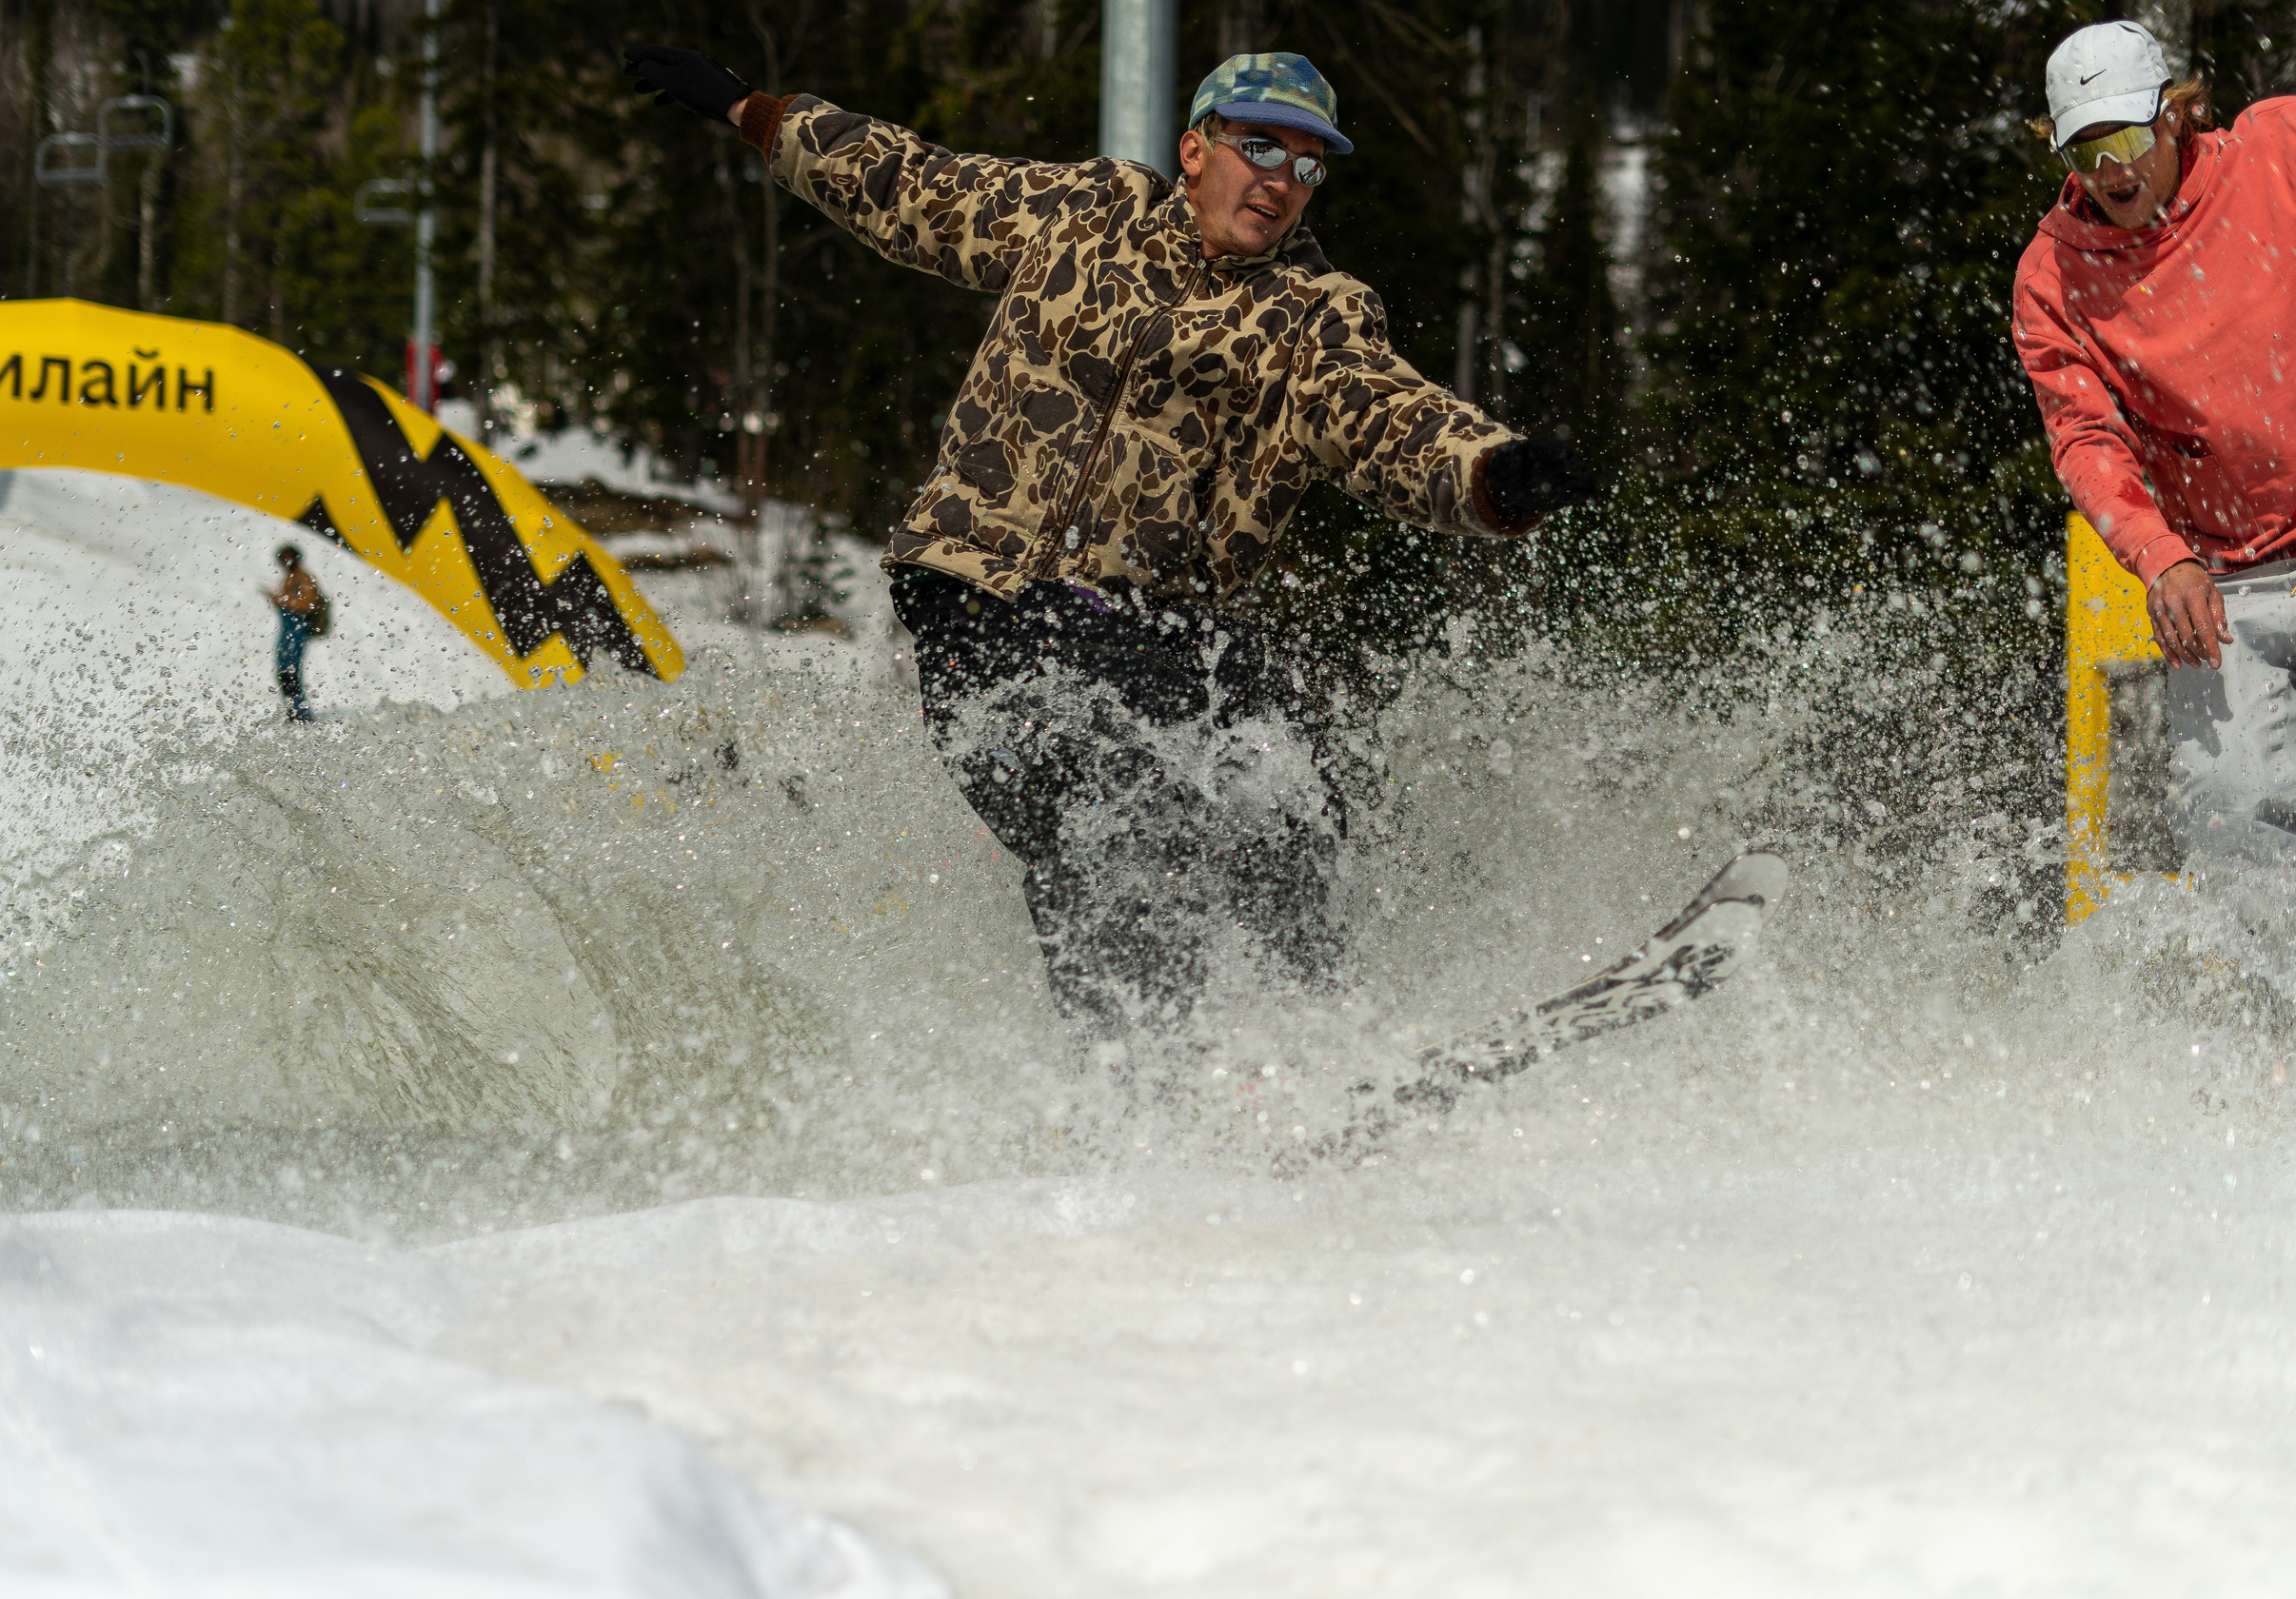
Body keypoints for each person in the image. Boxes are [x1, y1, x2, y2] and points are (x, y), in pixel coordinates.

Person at [623, 46, 1598, 1036]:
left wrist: (1489, 470)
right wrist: (753, 110)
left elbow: (1386, 416)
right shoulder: (1088, 215)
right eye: (1259, 147)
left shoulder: (1312, 314)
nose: (1279, 180)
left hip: (1159, 629)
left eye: (1307, 166)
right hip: (982, 601)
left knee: (1283, 778)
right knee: (1119, 806)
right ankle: (1140, 1071)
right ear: (1195, 148)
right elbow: (915, 188)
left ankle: (1300, 1040)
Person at [2014, 21, 2296, 966]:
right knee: (2230, 816)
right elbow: (2085, 438)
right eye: (2084, 149)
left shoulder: (2286, 147)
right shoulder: (2053, 276)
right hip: (2222, 579)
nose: (2111, 171)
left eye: (2124, 139)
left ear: (2176, 114)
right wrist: (2161, 560)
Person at [265, 543, 324, 723]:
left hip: (296, 631)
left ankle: (301, 714)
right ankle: (294, 711)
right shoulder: (290, 579)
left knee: (290, 673)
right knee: (284, 672)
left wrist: (283, 600)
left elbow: (307, 604)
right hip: (287, 631)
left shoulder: (303, 578)